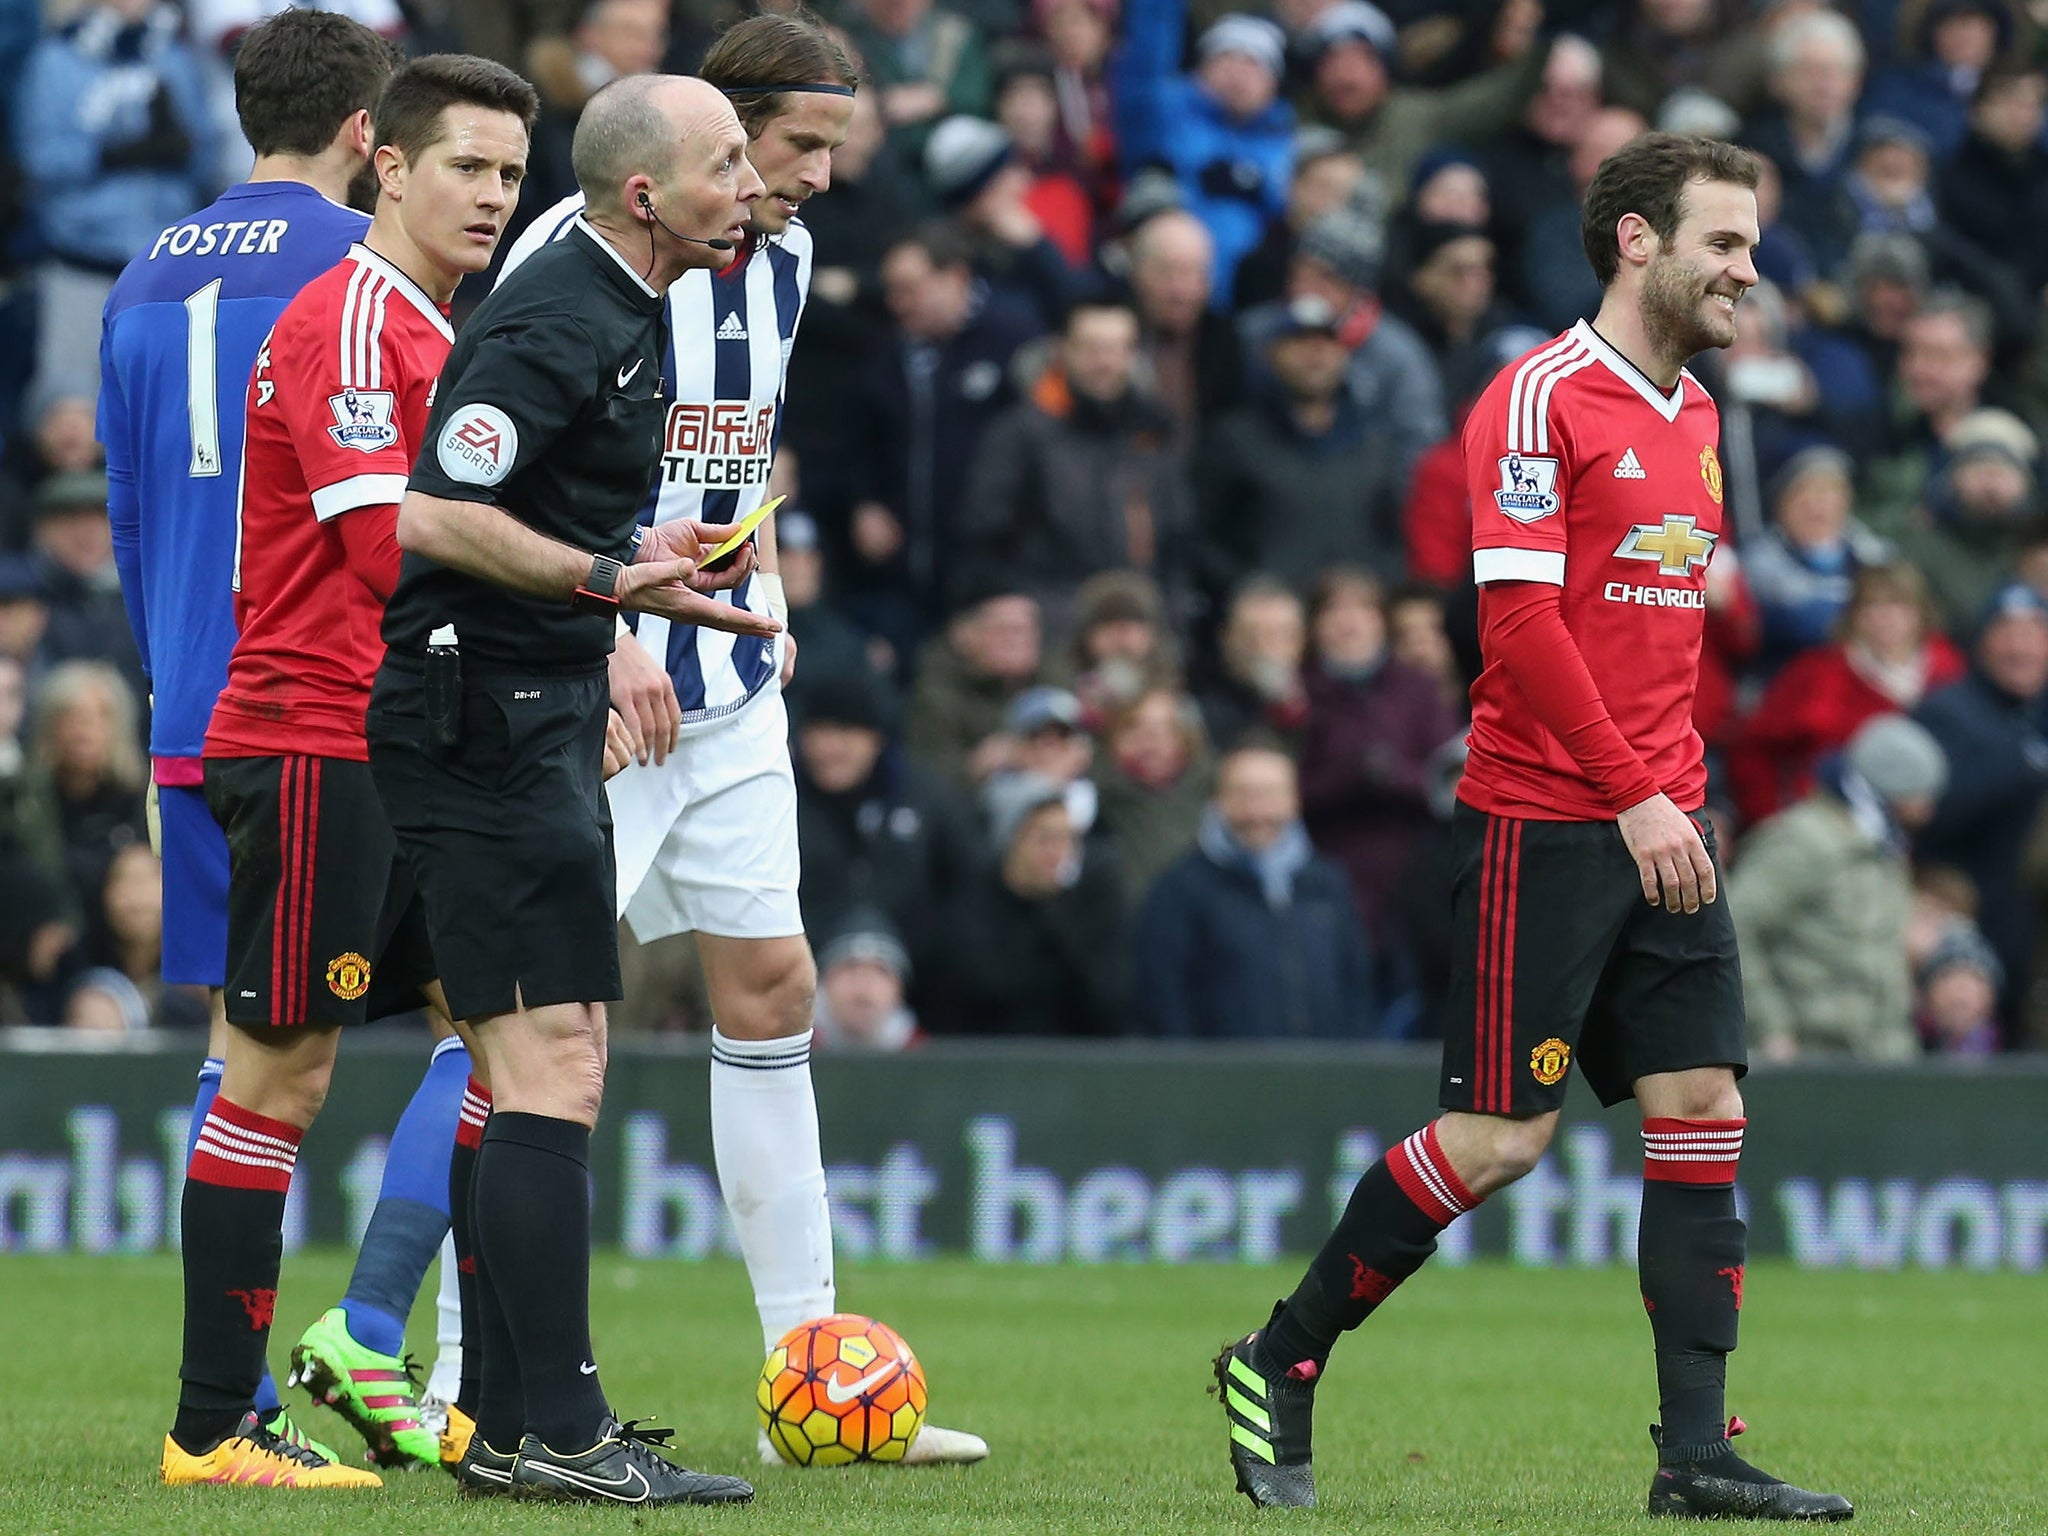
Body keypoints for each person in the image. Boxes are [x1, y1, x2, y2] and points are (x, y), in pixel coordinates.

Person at [1212, 134, 1851, 1521]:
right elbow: (1517, 627)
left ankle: (1694, 1457)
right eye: (1727, 243)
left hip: (1662, 822)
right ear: (1637, 239)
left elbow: (1660, 637)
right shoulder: (1536, 397)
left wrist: (1672, 797)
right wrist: (1629, 798)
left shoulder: (1693, 417)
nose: (1751, 271)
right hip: (1550, 821)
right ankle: (1279, 1356)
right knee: (1501, 1140)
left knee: (1702, 1112)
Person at [493, 19, 986, 1466]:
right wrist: (608, 627)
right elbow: (496, 475)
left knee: (773, 989)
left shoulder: (782, 261)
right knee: (529, 1035)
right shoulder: (562, 263)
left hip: (731, 682)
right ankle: (465, 1375)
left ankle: (809, 1381)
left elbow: (724, 443)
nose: (822, 179)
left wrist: (745, 577)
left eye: (834, 149)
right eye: (799, 148)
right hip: (600, 682)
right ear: (714, 135)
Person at [366, 72, 772, 1506]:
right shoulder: (557, 315)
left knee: (547, 1063)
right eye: (730, 161)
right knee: (550, 1072)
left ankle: (500, 1423)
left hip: (532, 704)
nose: (756, 182)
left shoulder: (629, 307)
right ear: (650, 196)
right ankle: (562, 1434)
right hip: (481, 711)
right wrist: (607, 580)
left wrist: (642, 546)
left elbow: (532, 503)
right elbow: (429, 506)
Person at [98, 12, 490, 1480]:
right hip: (333, 704)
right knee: (419, 1037)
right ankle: (308, 1365)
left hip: (197, 712)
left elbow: (132, 513)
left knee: (252, 1047)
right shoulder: (366, 275)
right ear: (368, 134)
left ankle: (240, 1386)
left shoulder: (145, 272)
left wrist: (166, 690)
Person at [1729, 714, 1947, 1063]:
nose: (1928, 810)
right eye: (1919, 796)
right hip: (1809, 1055)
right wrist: (1770, 1029)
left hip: (1882, 1055)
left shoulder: (1884, 847)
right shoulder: (1803, 841)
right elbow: (1735, 930)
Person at [1134, 739, 1376, 1038]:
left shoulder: (1329, 884)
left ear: (1294, 800)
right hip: (1223, 1079)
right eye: (1244, 794)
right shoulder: (1179, 890)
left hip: (1325, 1077)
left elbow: (1357, 988)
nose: (1258, 810)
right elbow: (1165, 1000)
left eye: (1271, 794)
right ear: (1219, 800)